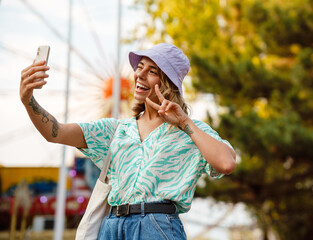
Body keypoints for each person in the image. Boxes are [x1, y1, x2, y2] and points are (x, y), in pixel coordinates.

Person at [20, 43, 236, 239]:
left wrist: (184, 122)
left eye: (152, 71)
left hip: (156, 226)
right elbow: (55, 132)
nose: (139, 74)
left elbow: (227, 164)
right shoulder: (114, 130)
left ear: (168, 84)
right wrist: (28, 100)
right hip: (111, 227)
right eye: (139, 67)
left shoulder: (190, 131)